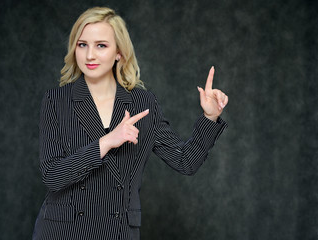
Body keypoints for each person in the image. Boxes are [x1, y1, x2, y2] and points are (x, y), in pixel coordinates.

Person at [32, 6, 228, 240]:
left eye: (101, 45)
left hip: (118, 232)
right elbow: (53, 176)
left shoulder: (143, 103)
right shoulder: (57, 101)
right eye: (82, 44)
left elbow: (185, 161)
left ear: (119, 53)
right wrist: (105, 142)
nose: (89, 55)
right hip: (64, 231)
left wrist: (210, 117)